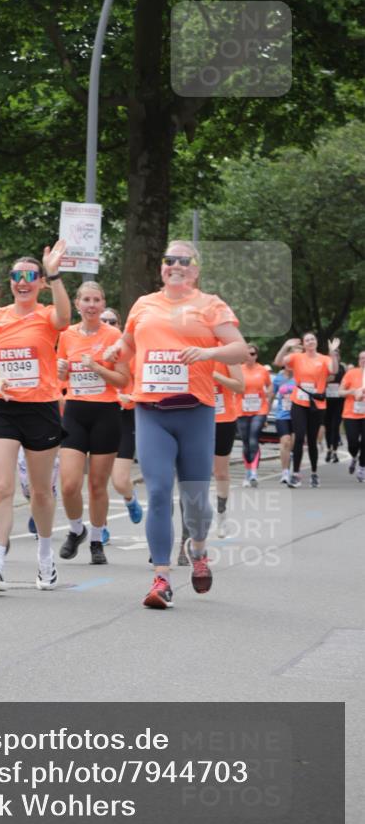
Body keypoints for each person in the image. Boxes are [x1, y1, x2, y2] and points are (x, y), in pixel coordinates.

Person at [105, 240, 247, 610]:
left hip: (195, 411)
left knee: (196, 499)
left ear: (196, 270)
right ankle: (162, 577)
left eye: (184, 261)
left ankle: (198, 549)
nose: (176, 266)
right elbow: (128, 343)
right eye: (169, 260)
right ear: (162, 268)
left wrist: (209, 352)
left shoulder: (210, 305)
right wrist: (113, 351)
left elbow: (240, 350)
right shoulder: (144, 304)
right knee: (158, 490)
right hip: (151, 410)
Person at [0, 241, 70, 591]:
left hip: (41, 408)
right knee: (1, 486)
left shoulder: (46, 315)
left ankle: (46, 557)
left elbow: (65, 318)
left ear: (40, 282)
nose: (22, 281)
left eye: (30, 276)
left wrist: (54, 273)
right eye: (17, 275)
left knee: (41, 492)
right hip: (3, 407)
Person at [56, 282, 129, 565]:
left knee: (98, 485)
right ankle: (77, 530)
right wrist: (61, 369)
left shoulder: (114, 335)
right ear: (77, 304)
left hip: (106, 413)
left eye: (96, 300)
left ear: (102, 304)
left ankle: (97, 540)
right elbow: (59, 374)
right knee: (69, 484)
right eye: (86, 299)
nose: (91, 305)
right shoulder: (67, 335)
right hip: (75, 411)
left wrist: (97, 367)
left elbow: (123, 379)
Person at [99, 308, 143, 545]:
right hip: (100, 415)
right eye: (103, 320)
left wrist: (132, 398)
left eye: (112, 321)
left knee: (119, 479)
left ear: (120, 324)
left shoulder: (131, 353)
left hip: (126, 416)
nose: (106, 323)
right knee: (98, 479)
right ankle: (101, 527)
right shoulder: (94, 349)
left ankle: (129, 498)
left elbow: (143, 384)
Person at [274, 333, 339, 487]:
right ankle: (296, 474)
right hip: (298, 402)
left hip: (316, 403)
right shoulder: (297, 357)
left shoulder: (324, 359)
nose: (310, 341)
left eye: (313, 339)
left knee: (311, 439)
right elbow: (278, 362)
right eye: (307, 340)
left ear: (316, 342)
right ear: (304, 344)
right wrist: (286, 346)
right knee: (299, 436)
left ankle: (314, 473)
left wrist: (333, 353)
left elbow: (334, 370)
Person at [210, 361, 245, 541]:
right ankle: (196, 519)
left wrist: (215, 375)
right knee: (194, 470)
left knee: (220, 472)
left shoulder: (225, 352)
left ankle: (221, 513)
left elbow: (240, 387)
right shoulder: (190, 348)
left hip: (223, 419)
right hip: (197, 417)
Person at [236, 344, 272, 488]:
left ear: (256, 355)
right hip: (241, 409)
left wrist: (268, 392)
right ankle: (247, 472)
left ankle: (254, 473)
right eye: (246, 354)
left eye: (252, 354)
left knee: (253, 439)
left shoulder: (262, 370)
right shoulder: (238, 369)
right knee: (245, 442)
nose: (249, 357)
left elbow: (270, 386)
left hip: (259, 409)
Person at [338, 351, 365, 481]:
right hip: (351, 414)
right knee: (353, 443)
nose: (363, 360)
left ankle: (362, 468)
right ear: (358, 360)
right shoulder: (351, 373)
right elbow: (340, 392)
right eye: (361, 358)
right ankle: (354, 456)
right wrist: (353, 391)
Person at [271, 363, 296, 485]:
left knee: (294, 443)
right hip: (282, 415)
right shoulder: (278, 378)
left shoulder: (300, 377)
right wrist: (265, 412)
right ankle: (285, 472)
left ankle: (292, 462)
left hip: (298, 415)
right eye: (288, 363)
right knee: (285, 441)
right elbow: (271, 395)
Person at [324, 352, 346, 462]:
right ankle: (328, 449)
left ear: (339, 357)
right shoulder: (325, 367)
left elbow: (346, 383)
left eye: (337, 355)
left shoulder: (342, 368)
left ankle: (335, 452)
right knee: (328, 427)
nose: (334, 357)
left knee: (335, 426)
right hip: (327, 402)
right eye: (332, 355)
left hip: (339, 402)